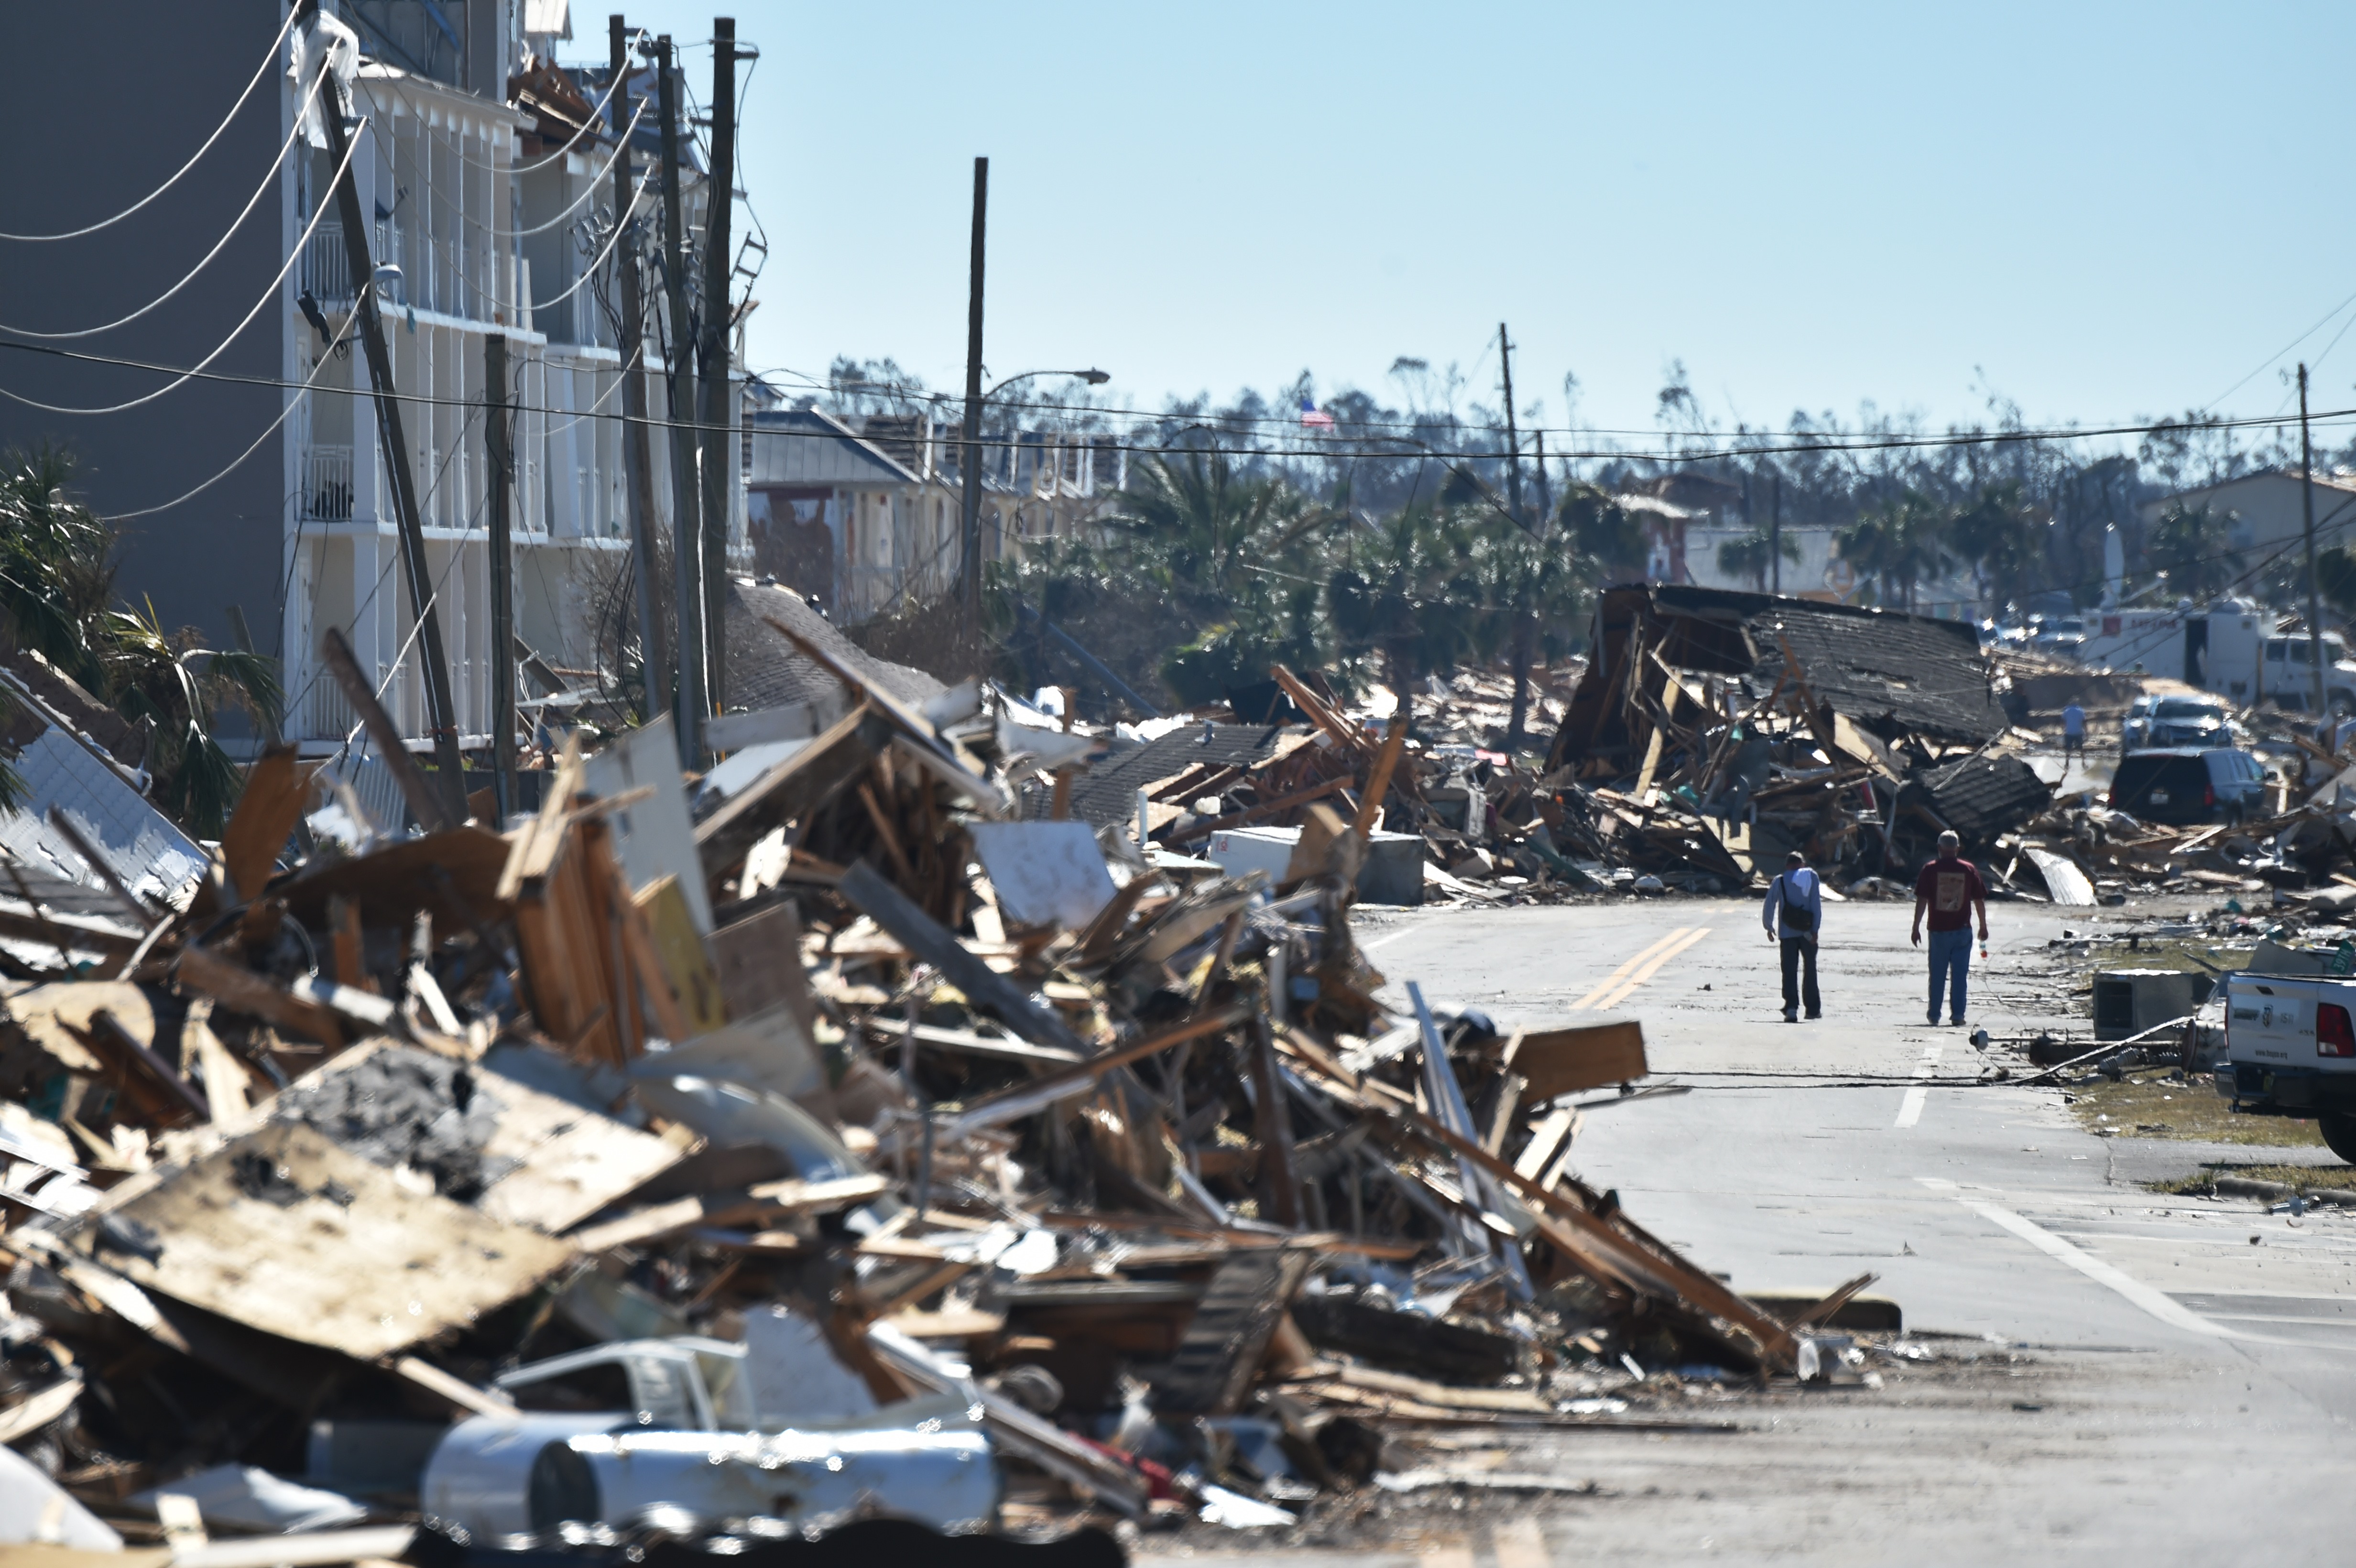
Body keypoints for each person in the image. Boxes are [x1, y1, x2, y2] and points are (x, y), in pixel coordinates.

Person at [1911, 830, 1989, 1026]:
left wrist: (1916, 927)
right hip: (1963, 931)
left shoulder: (1929, 870)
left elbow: (1922, 900)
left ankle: (1935, 1015)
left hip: (1938, 931)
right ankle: (1958, 1016)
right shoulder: (1968, 869)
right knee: (1960, 975)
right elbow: (1979, 900)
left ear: (1939, 848)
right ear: (1957, 849)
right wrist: (1983, 926)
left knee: (1937, 975)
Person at [1761, 849, 1823, 1023]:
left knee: (1789, 971)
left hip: (1787, 933)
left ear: (1787, 866)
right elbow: (1816, 905)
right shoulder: (1811, 878)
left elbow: (1769, 904)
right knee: (1810, 969)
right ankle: (1812, 1010)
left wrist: (1769, 927)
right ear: (1802, 864)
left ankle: (1791, 1008)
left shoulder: (1780, 881)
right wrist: (1816, 930)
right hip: (1808, 933)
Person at [2061, 700, 2085, 766]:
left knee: (2068, 749)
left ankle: (2067, 763)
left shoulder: (2067, 711)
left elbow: (2064, 721)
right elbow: (2083, 721)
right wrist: (2086, 732)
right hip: (2078, 732)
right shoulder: (2080, 710)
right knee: (2081, 748)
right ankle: (2083, 762)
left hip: (2069, 732)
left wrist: (2063, 730)